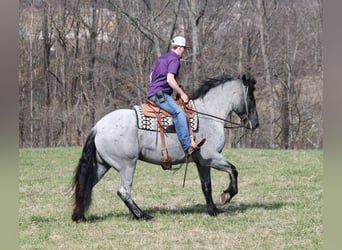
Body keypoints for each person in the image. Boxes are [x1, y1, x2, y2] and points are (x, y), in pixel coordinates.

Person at [146, 36, 205, 156]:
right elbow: (170, 79)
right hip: (160, 94)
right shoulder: (174, 59)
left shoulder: (162, 58)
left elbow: (151, 76)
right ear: (179, 47)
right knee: (178, 112)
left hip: (153, 92)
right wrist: (182, 94)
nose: (184, 50)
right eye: (183, 48)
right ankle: (187, 146)